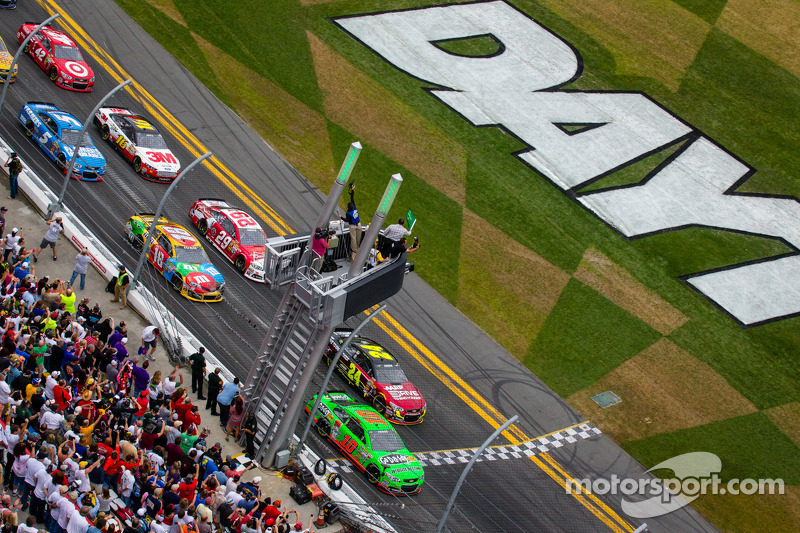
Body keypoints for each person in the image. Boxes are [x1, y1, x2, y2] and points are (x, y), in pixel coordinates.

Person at [340, 183, 361, 261]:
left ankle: (355, 250)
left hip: (352, 225)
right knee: (358, 237)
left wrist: (340, 217)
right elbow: (352, 197)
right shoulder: (354, 206)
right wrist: (352, 189)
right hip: (359, 224)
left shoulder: (348, 213)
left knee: (353, 239)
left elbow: (346, 220)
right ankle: (358, 248)